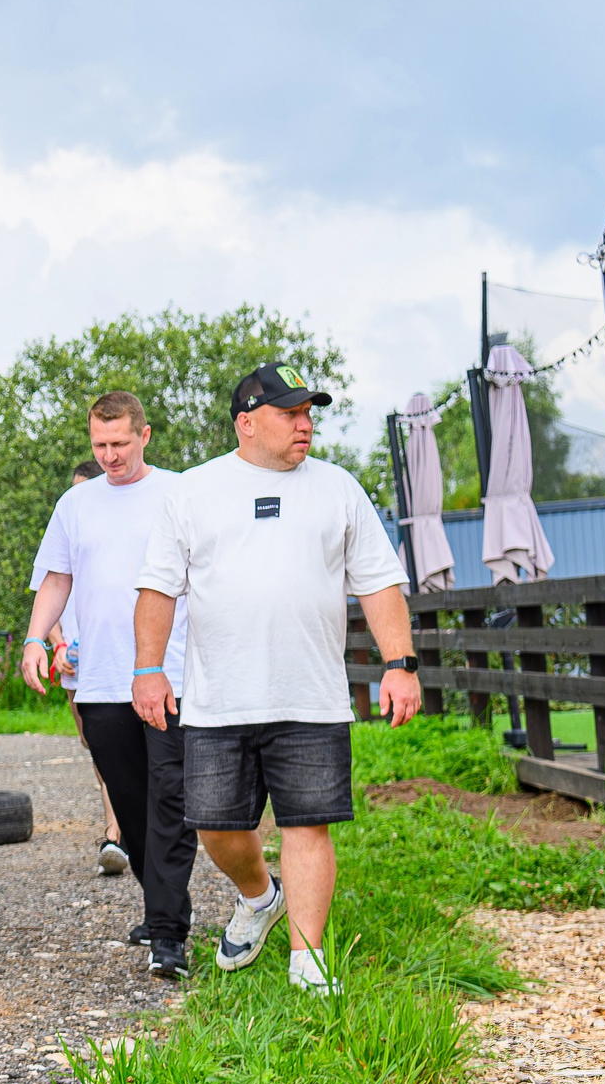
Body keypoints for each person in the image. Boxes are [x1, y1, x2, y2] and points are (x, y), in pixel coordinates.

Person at [131, 363, 421, 998]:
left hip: (310, 696)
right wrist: (148, 670)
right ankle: (259, 896)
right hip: (217, 698)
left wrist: (400, 664)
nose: (304, 424)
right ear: (247, 423)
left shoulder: (338, 488)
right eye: (291, 413)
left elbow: (377, 581)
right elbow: (157, 588)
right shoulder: (193, 492)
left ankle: (309, 966)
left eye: (309, 412)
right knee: (216, 829)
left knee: (307, 825)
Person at [23, 392, 199, 980]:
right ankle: (160, 904)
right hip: (100, 683)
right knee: (129, 803)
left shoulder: (179, 493)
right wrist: (33, 638)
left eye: (120, 444)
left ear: (145, 436)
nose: (110, 456)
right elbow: (56, 579)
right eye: (100, 445)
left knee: (169, 800)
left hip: (169, 674)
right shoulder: (76, 504)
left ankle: (169, 934)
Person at [46, 456, 124, 872]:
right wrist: (56, 645)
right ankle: (116, 826)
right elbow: (50, 595)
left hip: (122, 662)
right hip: (77, 665)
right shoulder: (66, 533)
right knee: (96, 748)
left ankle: (118, 833)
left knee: (126, 749)